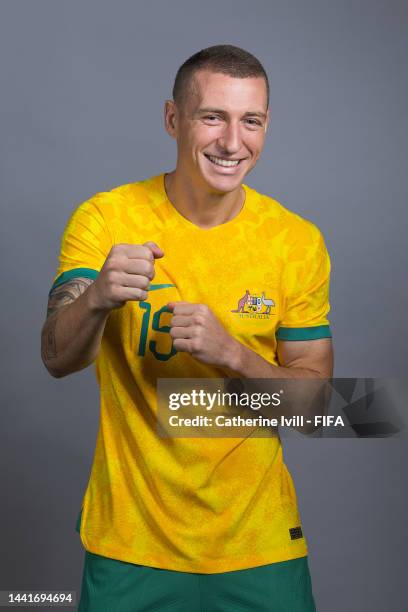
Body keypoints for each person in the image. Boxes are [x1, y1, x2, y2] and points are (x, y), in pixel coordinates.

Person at [41, 44, 333, 612]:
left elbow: (318, 410)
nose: (232, 142)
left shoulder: (296, 241)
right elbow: (56, 356)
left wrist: (235, 354)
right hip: (130, 545)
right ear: (174, 119)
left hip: (260, 547)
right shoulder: (107, 218)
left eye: (251, 120)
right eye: (212, 117)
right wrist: (98, 296)